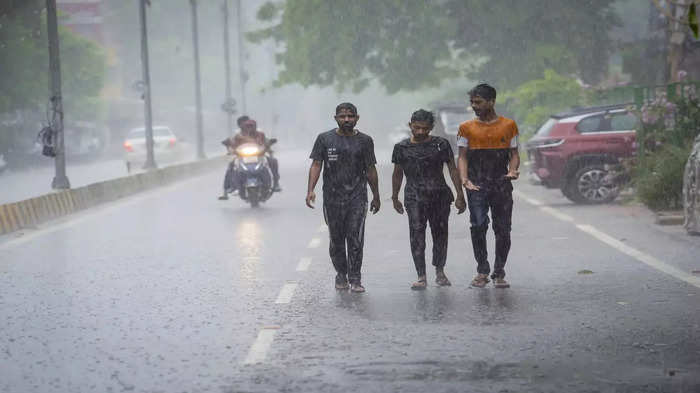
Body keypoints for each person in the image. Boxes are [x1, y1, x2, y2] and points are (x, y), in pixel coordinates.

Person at [306, 102, 380, 293]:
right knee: (336, 238)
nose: (346, 119)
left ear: (357, 118)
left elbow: (370, 168)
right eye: (342, 116)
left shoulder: (365, 141)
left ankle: (355, 278)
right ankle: (341, 273)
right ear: (336, 118)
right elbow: (316, 164)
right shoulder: (324, 139)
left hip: (357, 197)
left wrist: (376, 195)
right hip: (332, 197)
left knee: (355, 237)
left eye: (350, 116)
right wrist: (310, 190)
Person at [391, 109, 466, 290]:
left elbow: (452, 169)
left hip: (439, 194)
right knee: (417, 234)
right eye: (417, 128)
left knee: (440, 234)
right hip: (414, 196)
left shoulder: (441, 145)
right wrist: (395, 197)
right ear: (410, 126)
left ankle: (440, 271)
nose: (421, 132)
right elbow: (397, 173)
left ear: (431, 127)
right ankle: (421, 275)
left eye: (425, 128)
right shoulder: (401, 148)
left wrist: (460, 195)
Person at [457, 83, 520, 289]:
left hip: (501, 183)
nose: (474, 106)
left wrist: (512, 170)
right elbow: (462, 157)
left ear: (492, 102)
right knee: (478, 225)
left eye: (479, 102)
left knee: (503, 229)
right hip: (476, 184)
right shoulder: (466, 128)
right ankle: (482, 270)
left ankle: (499, 271)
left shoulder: (509, 125)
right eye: (472, 102)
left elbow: (514, 154)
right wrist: (464, 180)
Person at [218, 117, 281, 200]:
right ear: (242, 126)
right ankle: (226, 190)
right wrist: (229, 145)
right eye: (247, 126)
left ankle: (276, 183)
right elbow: (233, 144)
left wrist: (268, 145)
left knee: (273, 161)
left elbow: (266, 142)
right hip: (243, 156)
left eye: (251, 126)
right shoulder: (239, 136)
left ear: (255, 126)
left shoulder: (260, 134)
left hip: (259, 155)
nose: (249, 128)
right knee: (231, 166)